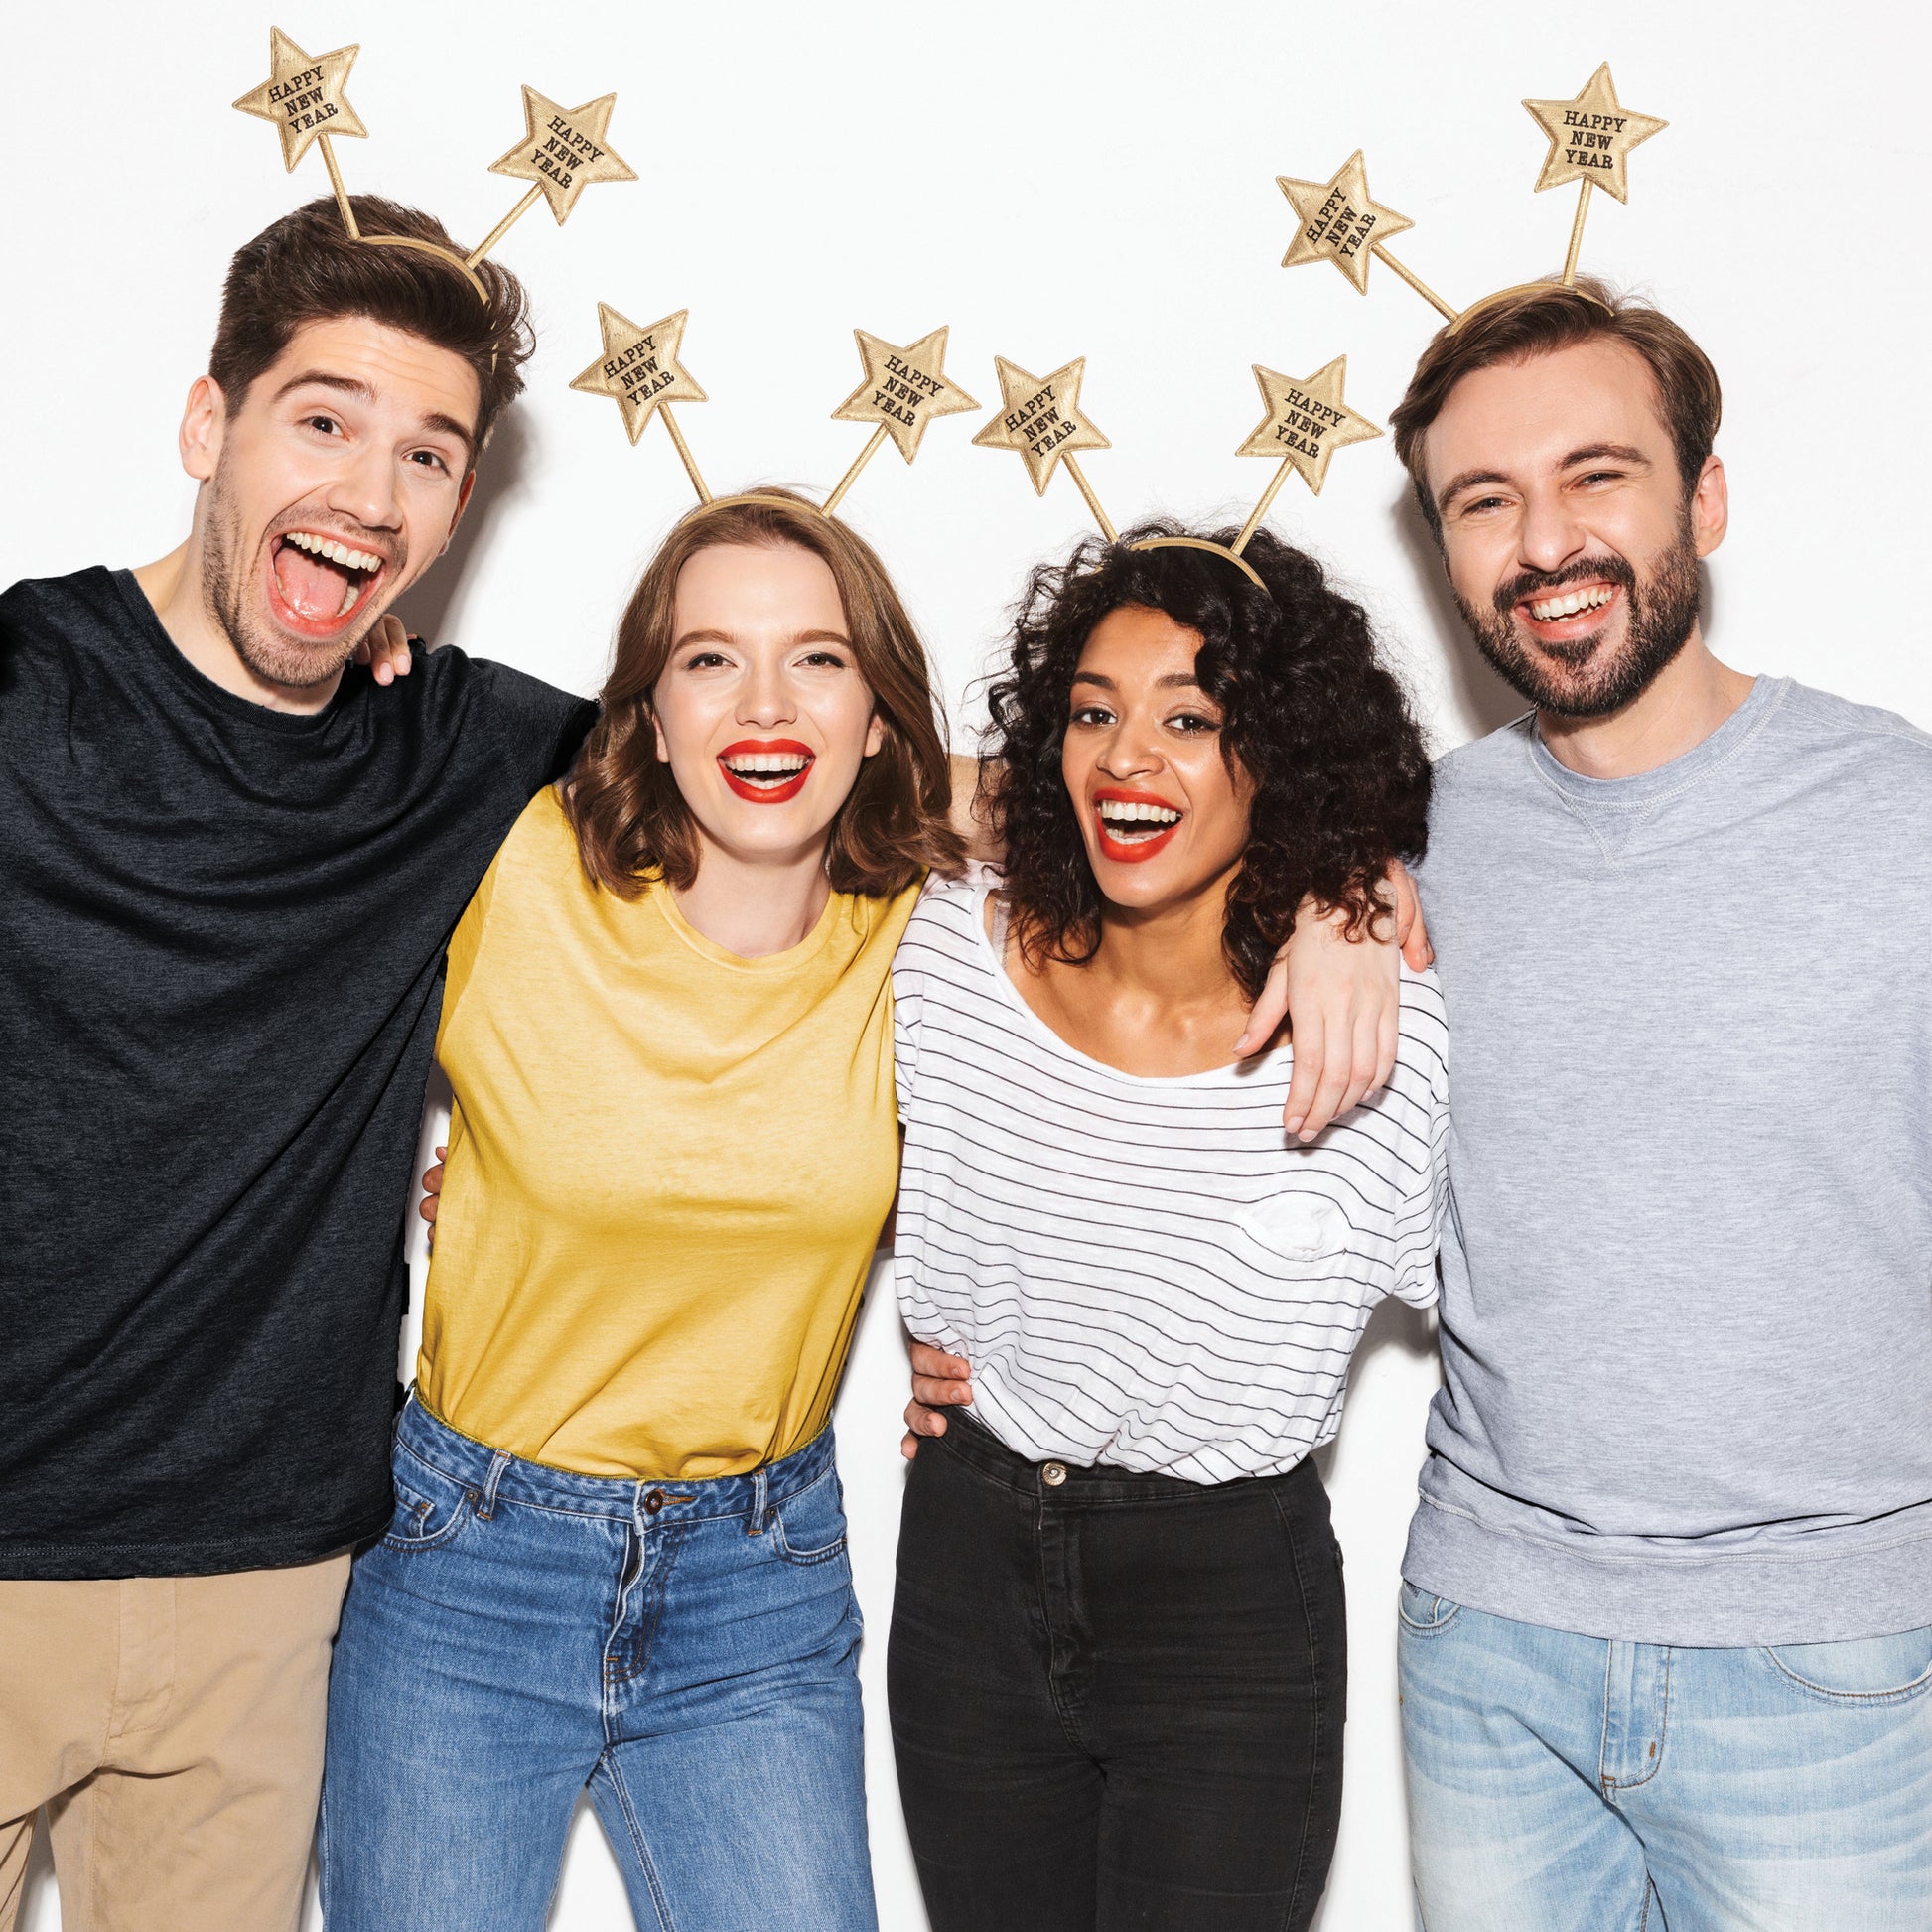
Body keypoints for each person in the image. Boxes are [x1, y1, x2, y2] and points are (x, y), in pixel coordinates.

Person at [0, 195, 593, 1932]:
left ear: (459, 508)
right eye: (321, 419)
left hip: (263, 1593)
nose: (366, 491)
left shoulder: (463, 750)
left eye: (426, 453)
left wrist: (1326, 871)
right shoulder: (28, 683)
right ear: (211, 427)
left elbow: (816, 767)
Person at [317, 492, 963, 1932]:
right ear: (648, 715)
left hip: (760, 1581)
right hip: (467, 1563)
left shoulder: (925, 928)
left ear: (877, 716)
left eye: (817, 659)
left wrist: (1342, 905)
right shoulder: (519, 865)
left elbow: (1165, 840)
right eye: (709, 659)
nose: (763, 703)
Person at [1378, 282, 1931, 1928]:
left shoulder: (1898, 817)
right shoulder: (1403, 839)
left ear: (1701, 494)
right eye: (1484, 501)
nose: (1544, 540)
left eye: (1595, 474)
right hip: (1484, 1652)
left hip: (1834, 1660)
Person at [886, 525, 1449, 1932]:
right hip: (967, 1554)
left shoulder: (1382, 1039)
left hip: (1226, 1607)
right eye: (1091, 711)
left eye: (1191, 720)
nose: (1126, 757)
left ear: (1284, 750)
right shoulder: (944, 944)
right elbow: (789, 789)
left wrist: (1355, 876)